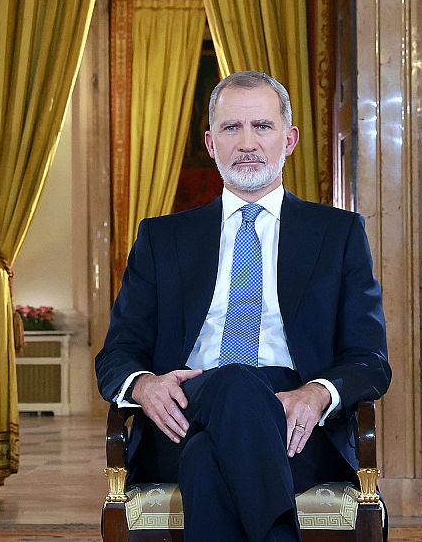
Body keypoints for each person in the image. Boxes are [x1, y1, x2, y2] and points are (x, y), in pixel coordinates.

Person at [96, 71, 391, 542]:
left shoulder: (337, 234)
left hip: (294, 421)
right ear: (211, 143)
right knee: (231, 382)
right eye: (232, 129)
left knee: (207, 461)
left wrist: (317, 393)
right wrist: (144, 386)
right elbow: (116, 355)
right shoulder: (163, 238)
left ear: (289, 139)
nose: (248, 143)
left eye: (263, 126)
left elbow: (372, 360)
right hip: (184, 409)